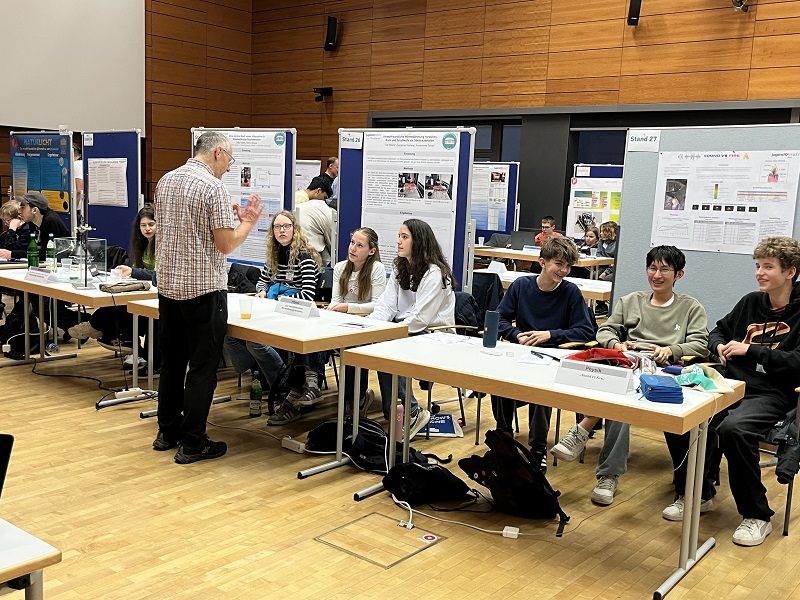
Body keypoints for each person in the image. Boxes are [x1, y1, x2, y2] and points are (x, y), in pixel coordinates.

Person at [550, 246, 709, 506]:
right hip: (629, 362)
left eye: (664, 269)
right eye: (652, 268)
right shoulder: (631, 301)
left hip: (665, 371)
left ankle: (582, 434)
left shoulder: (690, 307)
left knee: (620, 391)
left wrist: (672, 349)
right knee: (621, 391)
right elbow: (605, 331)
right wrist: (616, 345)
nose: (657, 275)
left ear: (678, 274)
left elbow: (701, 343)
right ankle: (608, 475)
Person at [681, 237, 800, 546]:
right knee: (689, 415)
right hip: (733, 385)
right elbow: (719, 330)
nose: (760, 273)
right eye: (758, 266)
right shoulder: (751, 302)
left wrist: (752, 351)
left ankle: (757, 515)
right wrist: (718, 344)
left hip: (774, 393)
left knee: (734, 429)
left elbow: (797, 363)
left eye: (768, 267)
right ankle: (699, 494)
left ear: (790, 272)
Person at [153, 131, 263, 464]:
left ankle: (167, 432)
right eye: (229, 160)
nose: (229, 168)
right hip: (203, 291)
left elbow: (190, 228)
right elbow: (227, 244)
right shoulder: (212, 187)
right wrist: (247, 221)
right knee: (202, 369)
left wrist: (227, 218)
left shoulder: (166, 181)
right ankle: (193, 442)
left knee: (172, 364)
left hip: (169, 289)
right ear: (217, 152)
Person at [491, 236, 594, 470]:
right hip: (522, 351)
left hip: (554, 356)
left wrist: (550, 334)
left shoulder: (571, 292)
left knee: (542, 386)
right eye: (559, 263)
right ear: (543, 262)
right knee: (498, 377)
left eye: (568, 265)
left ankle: (538, 448)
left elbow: (585, 331)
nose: (564, 270)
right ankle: (504, 435)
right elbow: (500, 319)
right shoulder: (521, 286)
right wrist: (516, 334)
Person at [226, 210, 326, 427]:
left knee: (257, 342)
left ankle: (287, 389)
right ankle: (282, 386)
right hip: (272, 313)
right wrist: (263, 291)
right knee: (234, 335)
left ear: (294, 229)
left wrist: (277, 300)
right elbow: (262, 281)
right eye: (277, 227)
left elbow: (307, 294)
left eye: (286, 226)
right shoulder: (273, 255)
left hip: (295, 316)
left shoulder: (304, 257)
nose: (282, 231)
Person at [370, 218, 456, 437]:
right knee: (378, 345)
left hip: (435, 335)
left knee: (387, 347)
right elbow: (387, 304)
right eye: (399, 236)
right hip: (404, 330)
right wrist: (371, 325)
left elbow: (421, 318)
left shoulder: (435, 273)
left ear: (418, 242)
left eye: (404, 237)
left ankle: (412, 412)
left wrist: (388, 332)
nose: (398, 241)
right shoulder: (400, 267)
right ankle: (395, 414)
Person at [67, 206, 158, 360]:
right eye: (143, 225)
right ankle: (101, 329)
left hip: (156, 297)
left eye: (151, 224)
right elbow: (136, 269)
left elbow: (157, 275)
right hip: (145, 291)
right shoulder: (140, 245)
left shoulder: (163, 246)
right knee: (119, 303)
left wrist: (134, 272)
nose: (147, 229)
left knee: (124, 309)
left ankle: (96, 325)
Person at [327, 227, 386, 415]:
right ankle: (309, 384)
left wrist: (348, 308)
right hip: (342, 321)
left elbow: (377, 305)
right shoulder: (340, 267)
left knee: (352, 346)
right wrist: (331, 309)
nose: (352, 248)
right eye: (352, 242)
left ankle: (355, 398)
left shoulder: (377, 269)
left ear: (371, 251)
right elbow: (336, 300)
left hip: (366, 323)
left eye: (359, 245)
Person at [295, 175, 335, 266]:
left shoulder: (297, 195)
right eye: (324, 197)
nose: (323, 201)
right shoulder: (302, 201)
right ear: (318, 191)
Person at [594, 221, 618, 315]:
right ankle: (600, 305)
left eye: (603, 231)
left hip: (613, 269)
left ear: (610, 232)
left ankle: (604, 305)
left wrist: (606, 272)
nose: (600, 234)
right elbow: (598, 254)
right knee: (592, 277)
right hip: (602, 266)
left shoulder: (617, 244)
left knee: (605, 279)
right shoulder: (601, 242)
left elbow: (615, 262)